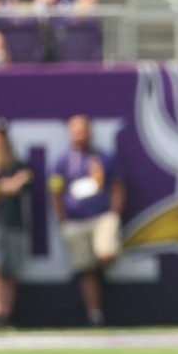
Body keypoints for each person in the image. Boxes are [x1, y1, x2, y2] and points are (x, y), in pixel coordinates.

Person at [49, 114, 125, 326]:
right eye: (75, 131)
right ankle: (95, 314)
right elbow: (55, 190)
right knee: (85, 269)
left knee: (106, 253)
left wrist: (115, 213)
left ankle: (103, 277)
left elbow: (117, 185)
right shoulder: (62, 161)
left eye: (83, 130)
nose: (79, 136)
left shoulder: (103, 157)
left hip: (101, 216)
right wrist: (62, 218)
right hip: (75, 220)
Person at [0, 118, 32, 329]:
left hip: (15, 224)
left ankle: (6, 317)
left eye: (3, 136)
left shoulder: (17, 165)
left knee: (11, 271)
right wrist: (9, 184)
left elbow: (26, 180)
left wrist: (7, 185)